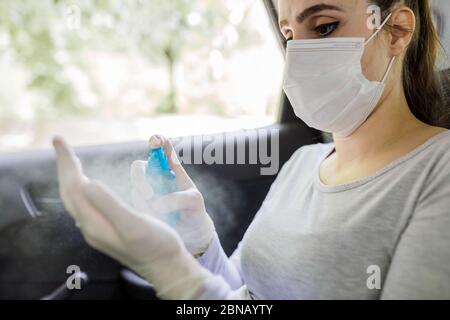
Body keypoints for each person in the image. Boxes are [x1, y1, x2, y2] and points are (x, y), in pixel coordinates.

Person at [53, 0, 450, 299]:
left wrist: (176, 278)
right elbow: (242, 296)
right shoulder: (303, 163)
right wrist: (197, 244)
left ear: (396, 30)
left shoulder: (438, 169)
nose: (299, 58)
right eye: (290, 36)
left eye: (325, 27)